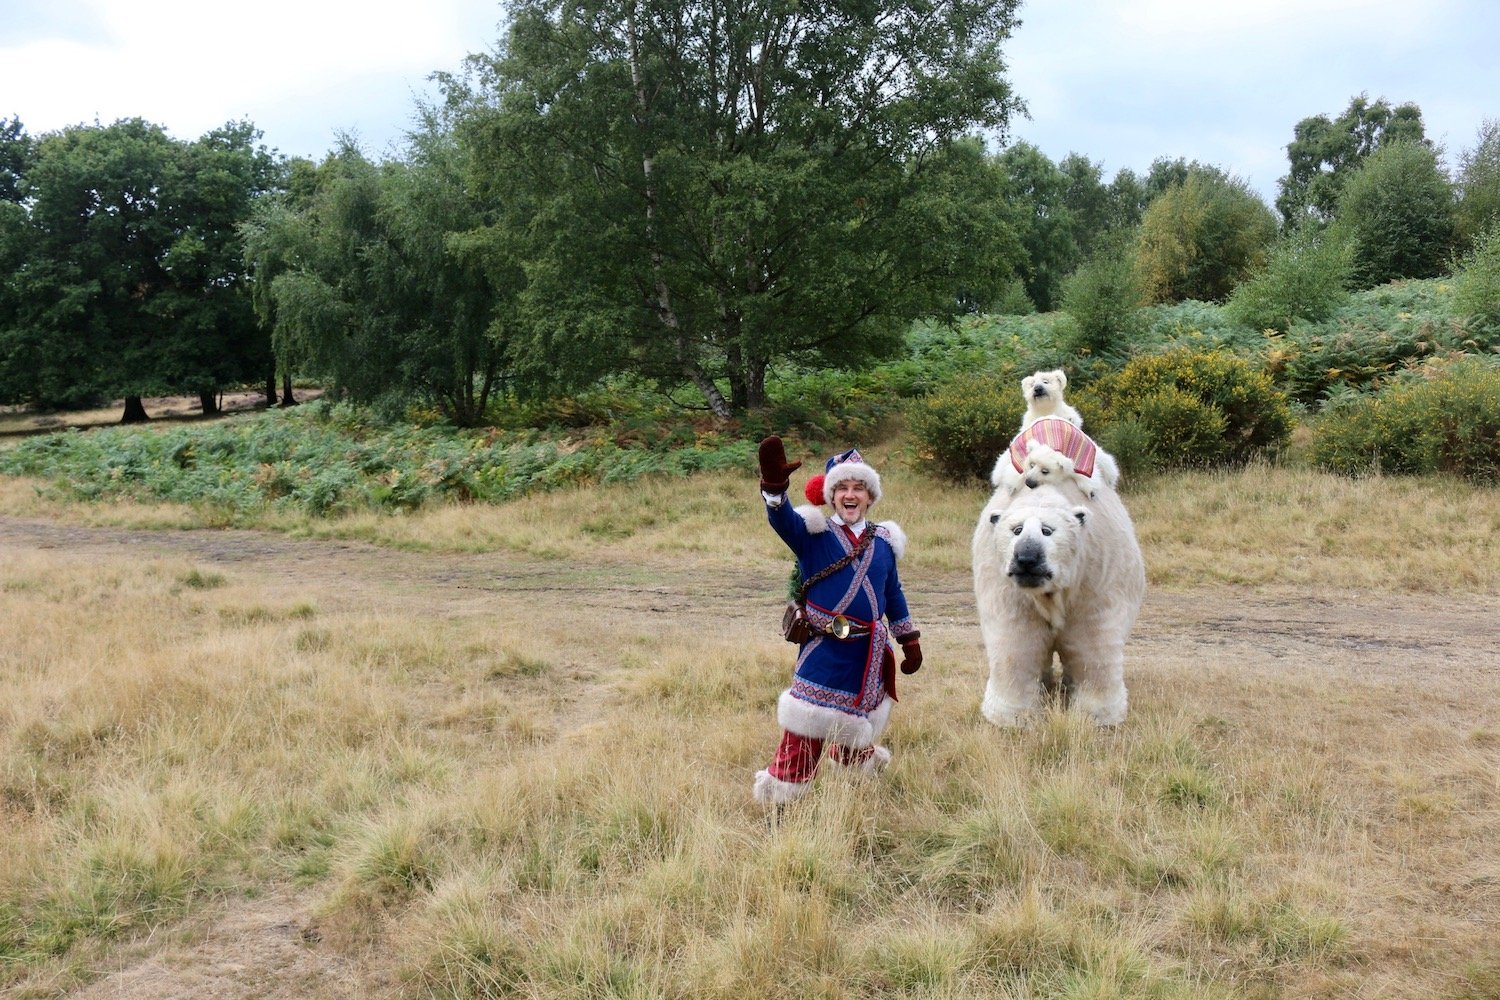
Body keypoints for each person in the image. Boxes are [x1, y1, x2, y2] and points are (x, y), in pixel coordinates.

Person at [753, 435, 923, 804]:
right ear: (830, 496)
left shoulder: (883, 542)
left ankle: (855, 767)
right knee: (806, 726)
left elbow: (892, 593)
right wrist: (774, 488)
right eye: (842, 487)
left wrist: (909, 639)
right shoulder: (813, 534)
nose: (850, 494)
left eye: (859, 488)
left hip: (869, 655)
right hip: (824, 651)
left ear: (870, 496)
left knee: (857, 718)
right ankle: (783, 797)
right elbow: (781, 520)